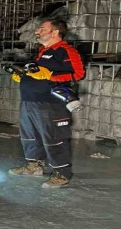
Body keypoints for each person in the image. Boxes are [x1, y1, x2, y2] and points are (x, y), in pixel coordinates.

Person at [9, 18, 85, 188]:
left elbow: (78, 74)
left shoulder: (66, 51)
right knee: (30, 135)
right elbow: (38, 73)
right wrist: (23, 76)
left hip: (51, 103)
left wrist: (51, 77)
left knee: (54, 138)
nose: (37, 32)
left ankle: (62, 174)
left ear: (55, 32)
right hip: (30, 101)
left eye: (42, 29)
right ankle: (34, 166)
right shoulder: (43, 52)